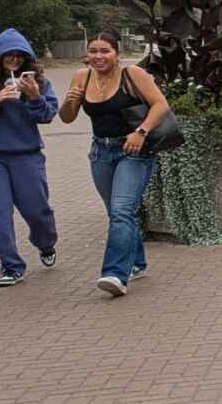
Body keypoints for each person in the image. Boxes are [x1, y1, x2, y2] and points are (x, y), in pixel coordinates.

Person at [59, 31, 172, 297]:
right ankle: (138, 262)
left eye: (104, 51)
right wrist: (71, 101)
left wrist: (141, 132)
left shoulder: (132, 74)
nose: (98, 57)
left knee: (122, 211)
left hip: (132, 150)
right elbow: (66, 118)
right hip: (101, 152)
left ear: (116, 53)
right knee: (117, 213)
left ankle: (115, 274)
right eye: (93, 51)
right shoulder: (82, 76)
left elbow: (160, 105)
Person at [0, 29, 59, 287]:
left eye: (19, 55)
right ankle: (11, 266)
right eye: (8, 54)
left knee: (38, 211)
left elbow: (46, 115)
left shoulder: (39, 83)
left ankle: (46, 243)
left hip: (26, 155)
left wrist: (34, 97)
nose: (14, 59)